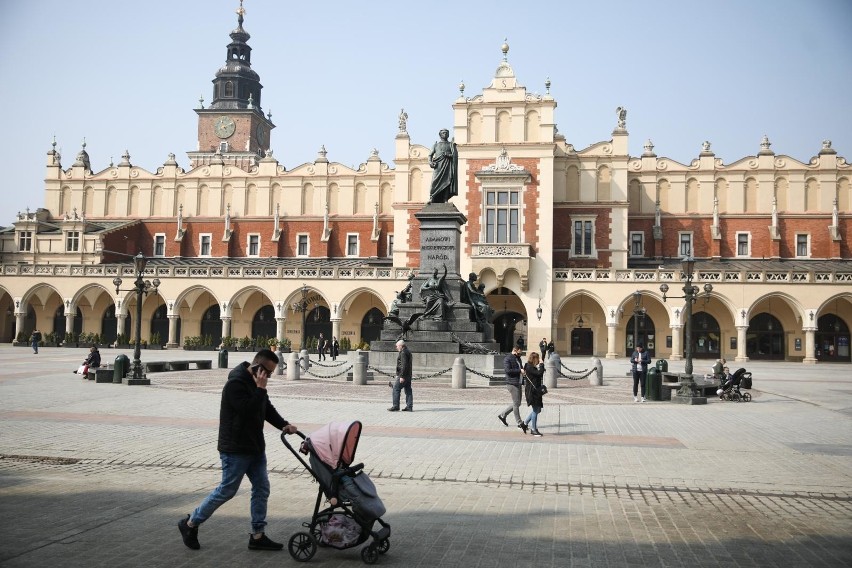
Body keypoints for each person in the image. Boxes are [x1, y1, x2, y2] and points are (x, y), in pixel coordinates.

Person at [178, 349, 298, 551]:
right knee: (227, 490)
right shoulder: (235, 384)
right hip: (235, 448)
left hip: (254, 447)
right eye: (267, 372)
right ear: (257, 366)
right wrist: (260, 388)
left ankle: (257, 535)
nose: (268, 376)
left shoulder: (255, 383)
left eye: (270, 374)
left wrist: (284, 424)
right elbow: (248, 411)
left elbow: (265, 408)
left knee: (261, 488)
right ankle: (190, 523)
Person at [497, 345, 527, 433]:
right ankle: (520, 423)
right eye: (519, 352)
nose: (520, 353)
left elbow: (520, 368)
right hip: (512, 383)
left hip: (519, 382)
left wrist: (523, 371)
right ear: (515, 350)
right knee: (516, 403)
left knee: (517, 403)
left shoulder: (518, 358)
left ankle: (503, 415)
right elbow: (508, 371)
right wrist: (519, 371)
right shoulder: (508, 358)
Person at [427, 128, 458, 204]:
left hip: (447, 166)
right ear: (440, 135)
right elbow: (430, 155)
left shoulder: (451, 145)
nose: (445, 134)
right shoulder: (436, 145)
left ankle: (445, 199)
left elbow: (455, 156)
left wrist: (449, 155)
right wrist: (430, 162)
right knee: (435, 182)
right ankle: (432, 197)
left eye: (446, 133)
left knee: (447, 182)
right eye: (443, 133)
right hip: (438, 166)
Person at [522, 352, 546, 437]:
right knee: (536, 410)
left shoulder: (531, 366)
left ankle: (524, 423)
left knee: (537, 410)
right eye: (538, 359)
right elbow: (540, 374)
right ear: (534, 359)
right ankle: (533, 429)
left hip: (536, 391)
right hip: (532, 392)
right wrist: (542, 364)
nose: (539, 360)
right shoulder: (529, 367)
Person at [388, 339, 413, 412]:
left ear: (401, 346)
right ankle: (409, 406)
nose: (396, 348)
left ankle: (396, 406)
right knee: (408, 390)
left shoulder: (403, 353)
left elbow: (404, 365)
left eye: (397, 346)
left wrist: (401, 376)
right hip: (408, 375)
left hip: (404, 375)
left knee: (396, 389)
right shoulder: (408, 351)